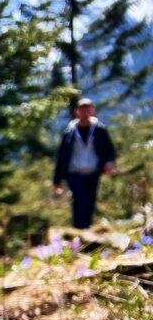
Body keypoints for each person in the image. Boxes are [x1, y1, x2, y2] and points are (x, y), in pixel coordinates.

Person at [52, 98, 117, 230]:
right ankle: (79, 230)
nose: (85, 112)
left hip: (93, 171)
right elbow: (61, 156)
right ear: (77, 112)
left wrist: (109, 163)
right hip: (74, 172)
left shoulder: (99, 130)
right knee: (79, 199)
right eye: (82, 110)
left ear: (92, 111)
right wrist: (56, 180)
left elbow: (109, 149)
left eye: (88, 109)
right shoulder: (69, 132)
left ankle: (87, 229)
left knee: (90, 200)